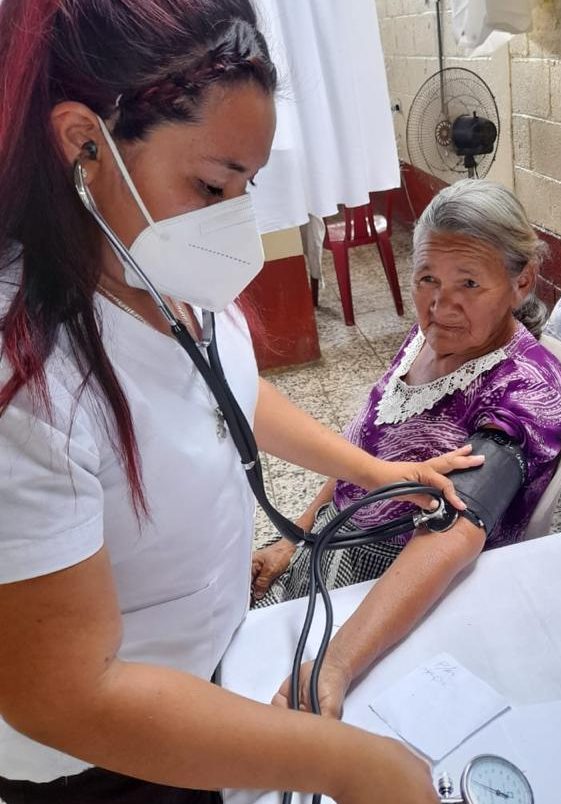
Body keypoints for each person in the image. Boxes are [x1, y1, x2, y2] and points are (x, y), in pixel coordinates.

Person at [0, 3, 484, 803]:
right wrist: (345, 763)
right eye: (212, 184)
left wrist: (373, 471)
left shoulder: (158, 264)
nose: (234, 220)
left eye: (248, 185)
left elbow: (227, 390)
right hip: (105, 758)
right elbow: (65, 695)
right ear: (84, 142)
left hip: (200, 670)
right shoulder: (28, 386)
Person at [251, 179, 561, 717]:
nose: (441, 305)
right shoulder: (426, 341)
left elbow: (452, 530)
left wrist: (336, 664)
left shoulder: (524, 389)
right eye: (427, 279)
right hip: (332, 552)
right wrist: (291, 541)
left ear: (522, 282)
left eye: (469, 282)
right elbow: (365, 451)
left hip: (398, 596)